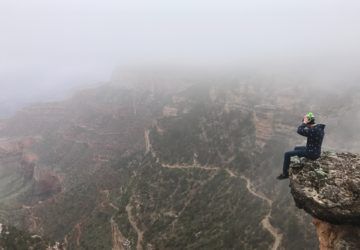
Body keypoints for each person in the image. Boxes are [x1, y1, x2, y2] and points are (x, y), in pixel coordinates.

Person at [277, 112, 326, 180]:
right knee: (296, 148)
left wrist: (304, 123)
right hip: (315, 151)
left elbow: (299, 130)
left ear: (309, 122)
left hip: (311, 153)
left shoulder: (313, 131)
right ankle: (296, 163)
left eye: (307, 125)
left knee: (287, 154)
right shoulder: (319, 128)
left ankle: (285, 174)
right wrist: (307, 123)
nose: (307, 127)